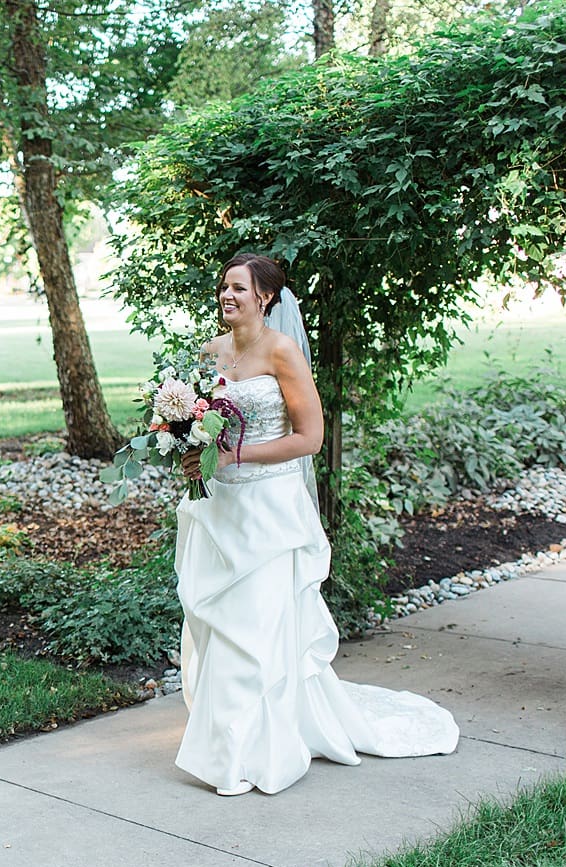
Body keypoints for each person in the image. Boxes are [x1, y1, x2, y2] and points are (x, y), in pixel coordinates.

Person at [173, 253, 458, 796]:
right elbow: (204, 426)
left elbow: (309, 439)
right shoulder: (211, 353)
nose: (226, 296)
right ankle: (226, 740)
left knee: (257, 625)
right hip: (220, 509)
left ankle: (255, 753)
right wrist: (192, 448)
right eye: (223, 288)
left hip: (268, 511)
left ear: (266, 298)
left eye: (238, 288)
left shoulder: (282, 353)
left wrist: (238, 456)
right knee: (221, 621)